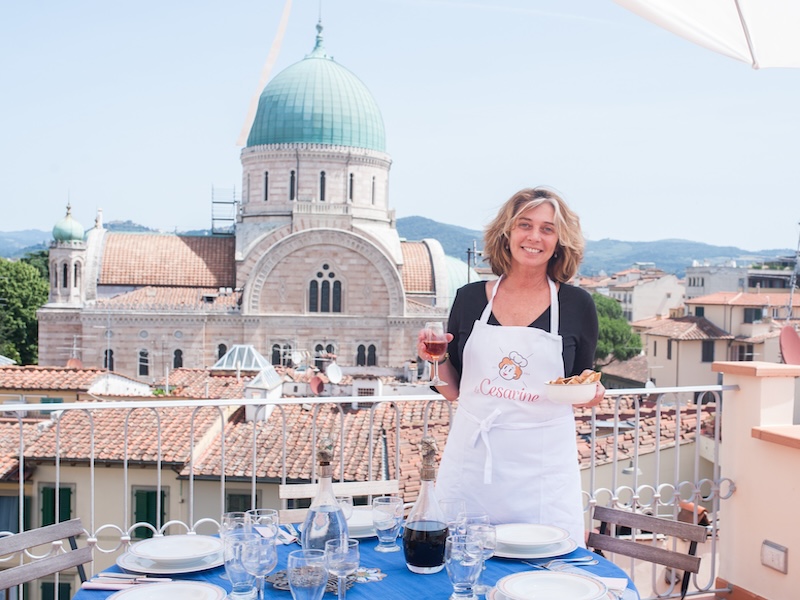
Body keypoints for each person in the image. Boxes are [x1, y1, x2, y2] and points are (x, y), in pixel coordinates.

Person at [417, 186, 604, 547]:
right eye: (525, 225)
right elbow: (454, 390)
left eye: (547, 229)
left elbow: (582, 384)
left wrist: (593, 393)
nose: (534, 237)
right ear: (507, 232)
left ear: (560, 241)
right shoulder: (469, 298)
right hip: (473, 463)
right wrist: (436, 360)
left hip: (542, 469)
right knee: (463, 556)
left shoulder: (578, 305)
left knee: (547, 564)